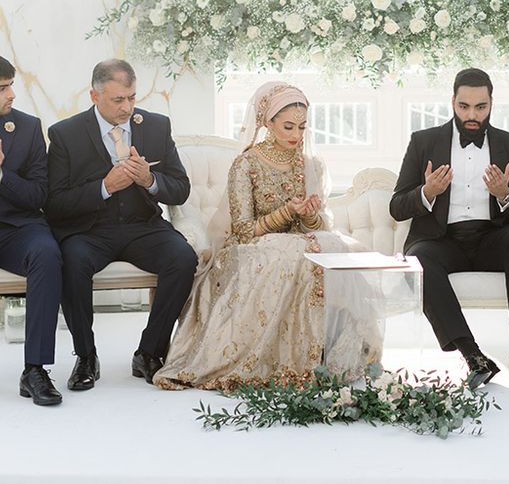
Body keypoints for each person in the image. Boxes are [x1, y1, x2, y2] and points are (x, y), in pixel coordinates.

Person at [154, 81, 379, 390]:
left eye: (302, 127)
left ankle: (327, 356)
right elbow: (244, 230)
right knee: (297, 254)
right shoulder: (246, 164)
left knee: (329, 245)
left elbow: (317, 227)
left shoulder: (309, 163)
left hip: (297, 243)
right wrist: (287, 212)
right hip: (251, 247)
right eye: (288, 126)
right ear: (267, 122)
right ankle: (290, 362)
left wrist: (310, 215)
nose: (296, 135)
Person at [46, 59, 197, 391]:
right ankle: (86, 356)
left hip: (143, 226)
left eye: (131, 97)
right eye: (118, 100)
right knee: (71, 261)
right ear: (94, 96)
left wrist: (150, 179)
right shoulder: (64, 134)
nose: (128, 107)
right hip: (90, 231)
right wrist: (105, 187)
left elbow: (180, 189)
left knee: (183, 258)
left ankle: (149, 352)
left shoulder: (157, 126)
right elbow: (54, 204)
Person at [389, 68, 509, 389]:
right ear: (453, 102)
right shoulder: (424, 142)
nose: (472, 115)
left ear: (491, 103)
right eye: (464, 106)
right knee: (417, 260)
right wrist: (427, 192)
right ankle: (473, 356)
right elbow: (397, 205)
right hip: (441, 239)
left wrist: (505, 194)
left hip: (492, 238)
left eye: (480, 107)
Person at [0, 56, 63, 406]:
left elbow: (39, 195)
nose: (11, 94)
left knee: (46, 252)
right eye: (2, 88)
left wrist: (2, 175)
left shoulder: (27, 127)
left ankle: (35, 369)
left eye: (10, 85)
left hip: (18, 228)